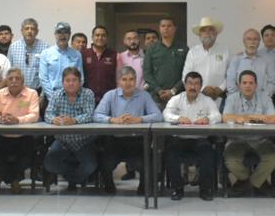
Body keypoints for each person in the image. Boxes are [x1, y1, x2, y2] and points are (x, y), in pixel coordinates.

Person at [94, 66, 163, 195]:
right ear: (119, 81)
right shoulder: (110, 95)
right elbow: (96, 115)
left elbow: (158, 116)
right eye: (124, 79)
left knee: (146, 161)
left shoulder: (144, 95)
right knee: (105, 162)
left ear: (136, 80)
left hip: (137, 141)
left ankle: (144, 187)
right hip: (114, 140)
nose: (128, 83)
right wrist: (112, 120)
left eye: (131, 79)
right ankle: (109, 187)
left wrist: (139, 119)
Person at [162, 71, 221, 201]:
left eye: (196, 84)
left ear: (200, 86)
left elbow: (217, 115)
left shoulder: (207, 100)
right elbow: (166, 113)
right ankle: (177, 189)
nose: (192, 87)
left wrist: (208, 119)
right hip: (179, 139)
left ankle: (205, 189)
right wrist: (178, 118)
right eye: (190, 83)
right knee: (171, 153)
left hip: (200, 139)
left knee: (208, 153)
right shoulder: (176, 99)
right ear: (184, 85)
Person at [222, 70, 275, 197]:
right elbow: (225, 117)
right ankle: (258, 182)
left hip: (260, 140)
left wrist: (242, 118)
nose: (248, 86)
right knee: (231, 161)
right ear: (239, 85)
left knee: (272, 158)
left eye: (251, 83)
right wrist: (252, 117)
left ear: (256, 85)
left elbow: (274, 119)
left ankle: (247, 184)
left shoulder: (265, 98)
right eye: (244, 83)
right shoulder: (232, 98)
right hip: (237, 140)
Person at [44, 67, 97, 192]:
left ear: (80, 81)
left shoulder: (88, 94)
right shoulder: (56, 95)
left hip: (83, 141)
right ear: (63, 82)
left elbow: (90, 115)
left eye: (74, 80)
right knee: (49, 163)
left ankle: (73, 180)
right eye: (68, 80)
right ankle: (74, 178)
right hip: (62, 140)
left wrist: (74, 120)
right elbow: (48, 114)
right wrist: (54, 120)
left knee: (90, 166)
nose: (71, 83)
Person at [0, 69, 40, 194]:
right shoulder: (0, 94)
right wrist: (0, 119)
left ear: (23, 81)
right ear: (6, 81)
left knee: (28, 157)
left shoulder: (32, 93)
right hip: (3, 136)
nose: (14, 81)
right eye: (10, 78)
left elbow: (34, 115)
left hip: (24, 136)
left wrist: (18, 120)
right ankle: (13, 180)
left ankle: (11, 179)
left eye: (17, 78)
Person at [143, 17, 187, 108]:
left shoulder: (184, 48)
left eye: (169, 26)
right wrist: (158, 90)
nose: (166, 28)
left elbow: (187, 73)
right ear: (159, 28)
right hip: (156, 98)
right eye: (163, 26)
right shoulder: (151, 49)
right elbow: (147, 73)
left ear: (174, 28)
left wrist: (173, 90)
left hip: (178, 97)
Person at [182, 16, 229, 101]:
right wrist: (203, 88)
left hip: (220, 97)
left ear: (216, 33)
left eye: (210, 30)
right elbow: (186, 76)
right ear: (199, 35)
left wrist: (221, 88)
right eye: (204, 30)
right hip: (197, 97)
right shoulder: (193, 52)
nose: (207, 33)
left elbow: (230, 75)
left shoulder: (225, 51)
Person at [225, 29, 275, 103]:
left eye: (255, 39)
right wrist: (239, 99)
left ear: (259, 42)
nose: (252, 42)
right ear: (244, 41)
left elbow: (272, 82)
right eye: (249, 39)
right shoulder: (236, 59)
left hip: (262, 102)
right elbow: (230, 82)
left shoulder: (267, 60)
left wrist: (263, 98)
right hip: (238, 102)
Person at [40, 22, 84, 102]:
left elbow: (81, 78)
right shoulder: (46, 53)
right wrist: (54, 98)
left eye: (66, 32)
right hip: (51, 97)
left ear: (69, 35)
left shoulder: (77, 54)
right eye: (59, 32)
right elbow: (43, 79)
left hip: (72, 98)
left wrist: (72, 96)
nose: (62, 35)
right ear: (55, 34)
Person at [8, 17, 49, 94]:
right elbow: (9, 72)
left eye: (32, 29)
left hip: (37, 91)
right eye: (26, 28)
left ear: (37, 31)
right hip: (17, 91)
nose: (29, 31)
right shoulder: (13, 47)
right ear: (22, 31)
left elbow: (47, 73)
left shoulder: (45, 47)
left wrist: (43, 95)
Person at [82, 25, 117, 103]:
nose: (100, 38)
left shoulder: (114, 55)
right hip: (87, 98)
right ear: (92, 37)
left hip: (108, 99)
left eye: (103, 35)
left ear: (107, 38)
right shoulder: (84, 54)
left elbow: (117, 76)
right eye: (97, 35)